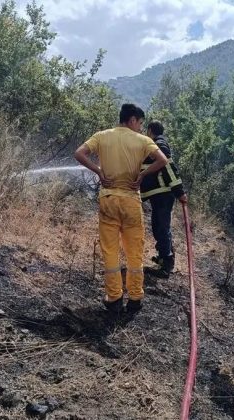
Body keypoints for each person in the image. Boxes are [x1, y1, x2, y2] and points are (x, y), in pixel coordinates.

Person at [74, 104, 168, 315]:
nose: (141, 128)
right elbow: (162, 160)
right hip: (131, 202)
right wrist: (143, 175)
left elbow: (79, 153)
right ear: (133, 119)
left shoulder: (102, 136)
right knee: (134, 251)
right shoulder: (143, 140)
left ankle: (114, 297)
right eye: (140, 123)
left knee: (110, 251)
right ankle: (135, 297)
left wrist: (98, 171)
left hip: (108, 199)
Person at [140, 121, 188, 279]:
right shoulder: (157, 144)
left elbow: (168, 168)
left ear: (150, 130)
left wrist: (179, 192)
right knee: (158, 226)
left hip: (163, 194)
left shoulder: (159, 145)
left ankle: (166, 264)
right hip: (158, 195)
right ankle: (163, 257)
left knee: (161, 227)